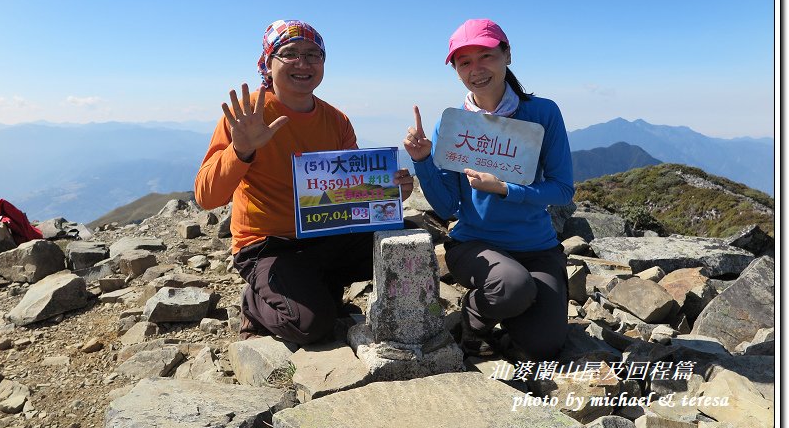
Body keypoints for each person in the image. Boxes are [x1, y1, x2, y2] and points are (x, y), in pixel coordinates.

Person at [195, 19, 414, 345]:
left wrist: (389, 191)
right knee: (311, 325)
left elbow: (349, 188)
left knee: (409, 242)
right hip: (268, 244)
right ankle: (255, 304)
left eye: (313, 54)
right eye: (289, 54)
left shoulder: (335, 119)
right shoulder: (247, 116)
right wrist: (241, 150)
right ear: (268, 64)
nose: (303, 63)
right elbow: (207, 197)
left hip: (327, 233)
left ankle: (316, 284)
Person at [403, 18, 574, 360]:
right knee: (512, 287)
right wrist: (423, 161)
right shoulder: (452, 125)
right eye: (464, 62)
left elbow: (562, 190)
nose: (476, 69)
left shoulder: (541, 113)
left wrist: (507, 189)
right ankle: (475, 316)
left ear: (507, 54)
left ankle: (510, 305)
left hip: (537, 248)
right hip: (474, 245)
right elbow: (448, 206)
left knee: (545, 345)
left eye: (486, 56)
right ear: (455, 70)